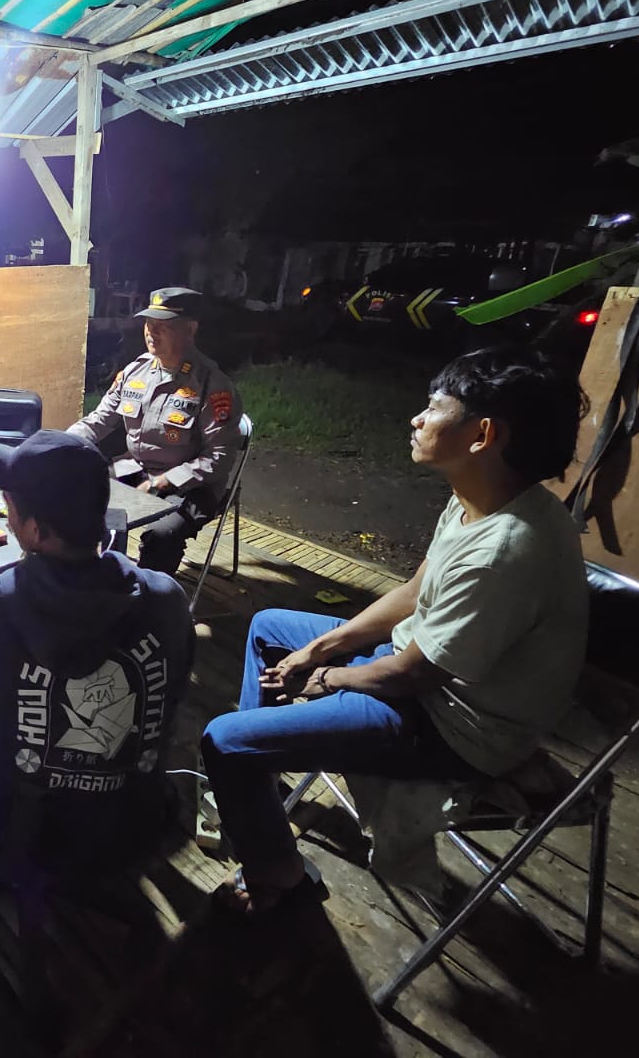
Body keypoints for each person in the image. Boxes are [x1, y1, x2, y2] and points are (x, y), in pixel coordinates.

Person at [200, 347, 589, 918]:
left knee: (224, 741)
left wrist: (326, 678)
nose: (416, 418)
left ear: (482, 435)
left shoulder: (506, 549)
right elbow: (413, 592)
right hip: (417, 671)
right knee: (269, 628)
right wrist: (317, 649)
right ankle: (263, 784)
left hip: (453, 726)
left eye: (434, 408)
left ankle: (277, 873)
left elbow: (413, 675)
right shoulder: (477, 501)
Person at [0, 430, 195, 865]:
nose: (7, 515)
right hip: (128, 819)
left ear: (36, 529)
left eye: (10, 505)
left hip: (11, 825)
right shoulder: (168, 600)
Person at [68, 287, 241, 575]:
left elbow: (219, 458)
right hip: (135, 469)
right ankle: (96, 577)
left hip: (191, 487)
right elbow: (98, 421)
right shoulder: (135, 372)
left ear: (190, 330)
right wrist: (59, 444)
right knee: (73, 495)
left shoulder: (212, 384)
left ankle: (149, 595)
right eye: (149, 323)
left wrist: (162, 482)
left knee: (162, 535)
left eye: (164, 326)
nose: (152, 332)